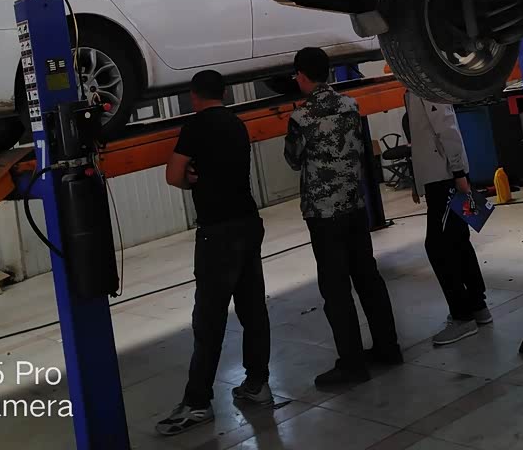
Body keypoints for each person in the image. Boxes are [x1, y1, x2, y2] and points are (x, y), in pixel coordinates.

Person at [156, 70, 271, 436]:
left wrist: (189, 177)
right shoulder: (236, 124)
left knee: (209, 320)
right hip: (248, 223)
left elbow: (173, 175)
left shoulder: (195, 127)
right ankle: (257, 384)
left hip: (217, 232)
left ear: (194, 96)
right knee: (253, 309)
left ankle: (197, 403)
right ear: (224, 93)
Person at [285, 47, 400, 386]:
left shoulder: (301, 117)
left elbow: (293, 160)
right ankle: (388, 348)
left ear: (301, 76)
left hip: (324, 215)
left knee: (335, 288)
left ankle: (352, 364)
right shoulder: (350, 105)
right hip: (354, 206)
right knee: (368, 278)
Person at [405, 90, 491, 346]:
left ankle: (463, 317)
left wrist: (459, 172)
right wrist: (418, 181)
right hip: (439, 178)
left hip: (445, 179)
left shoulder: (425, 87)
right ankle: (478, 307)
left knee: (438, 247)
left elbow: (447, 128)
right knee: (458, 241)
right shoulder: (414, 88)